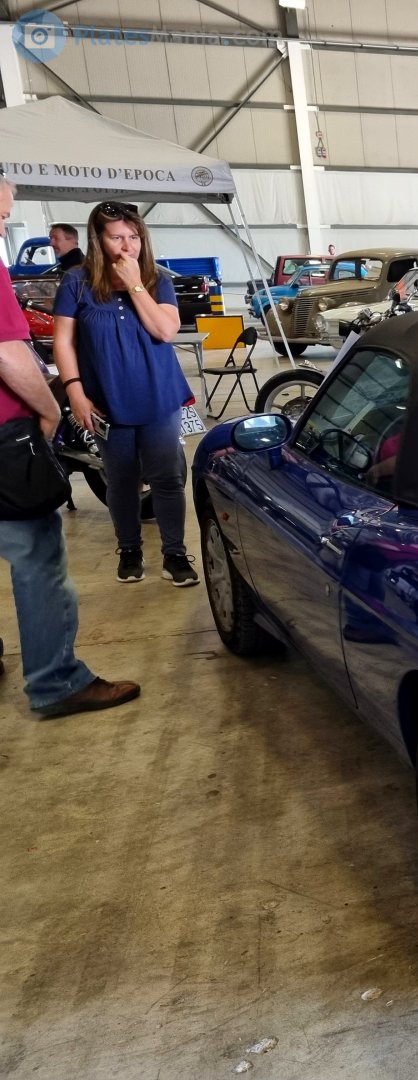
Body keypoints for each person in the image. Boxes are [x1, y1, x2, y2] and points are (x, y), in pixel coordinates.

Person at [0, 181, 141, 718]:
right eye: (2, 213)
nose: (3, 224)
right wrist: (52, 406)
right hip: (5, 437)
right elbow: (9, 355)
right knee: (37, 558)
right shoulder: (78, 283)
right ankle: (56, 681)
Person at [52, 201, 197, 588]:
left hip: (158, 396)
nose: (127, 245)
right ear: (98, 239)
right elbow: (63, 342)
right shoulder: (76, 282)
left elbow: (165, 331)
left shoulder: (156, 280)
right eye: (117, 237)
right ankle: (128, 549)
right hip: (105, 399)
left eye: (134, 237)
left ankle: (175, 553)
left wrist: (134, 283)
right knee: (120, 478)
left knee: (167, 477)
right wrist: (75, 392)